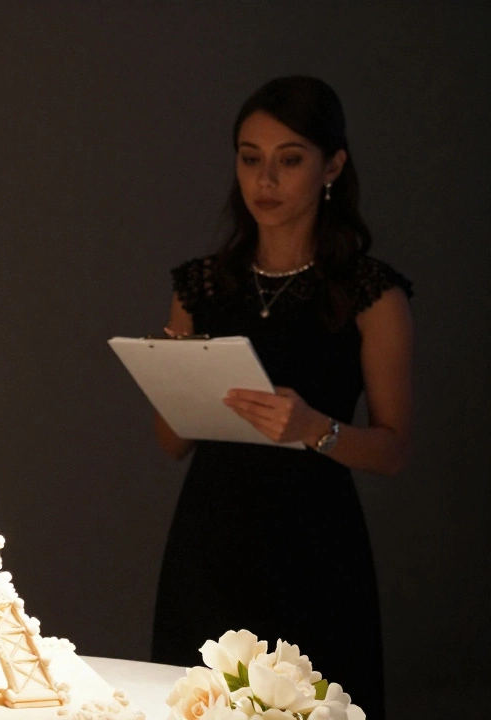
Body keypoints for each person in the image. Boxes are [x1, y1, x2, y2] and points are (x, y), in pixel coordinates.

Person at [151, 76, 412, 719]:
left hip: (315, 547)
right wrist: (174, 376)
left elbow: (394, 449)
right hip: (209, 540)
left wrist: (315, 428)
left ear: (333, 166)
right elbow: (170, 441)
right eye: (250, 157)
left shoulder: (370, 293)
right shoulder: (202, 284)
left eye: (289, 159)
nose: (265, 179)